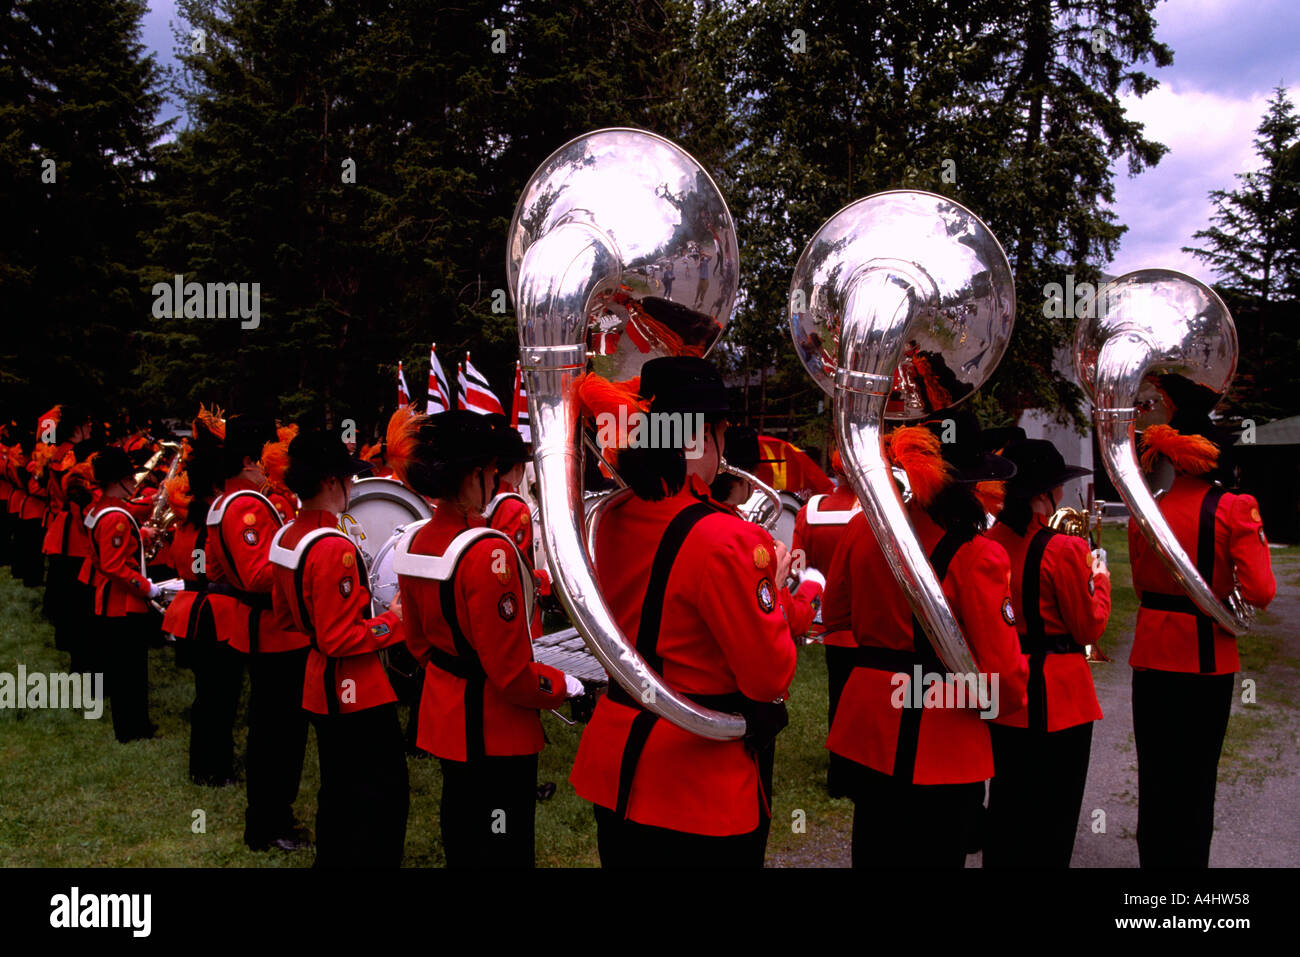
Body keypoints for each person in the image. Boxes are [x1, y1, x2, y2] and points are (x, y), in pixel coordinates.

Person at [569, 357, 798, 868]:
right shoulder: (729, 538)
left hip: (618, 765)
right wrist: (776, 591)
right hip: (697, 785)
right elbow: (768, 678)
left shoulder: (613, 517)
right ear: (708, 434)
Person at [823, 411, 1028, 868]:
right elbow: (1005, 683)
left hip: (871, 729)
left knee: (875, 853)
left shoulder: (863, 527)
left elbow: (835, 614)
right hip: (943, 740)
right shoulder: (980, 555)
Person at [390, 408, 582, 867]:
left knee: (462, 828)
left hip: (448, 716)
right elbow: (510, 673)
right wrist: (561, 686)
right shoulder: (489, 550)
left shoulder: (414, 539)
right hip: (497, 724)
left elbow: (416, 642)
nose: (496, 480)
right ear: (475, 474)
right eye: (493, 471)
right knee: (504, 846)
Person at [1128, 378, 1276, 868]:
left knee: (1156, 777)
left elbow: (1138, 577)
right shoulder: (1235, 506)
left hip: (1151, 654)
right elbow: (1261, 593)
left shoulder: (1142, 512)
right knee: (1195, 783)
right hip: (1205, 658)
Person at [269, 430, 410, 867]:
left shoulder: (289, 535)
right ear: (332, 481)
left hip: (318, 682)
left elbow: (285, 617)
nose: (352, 487)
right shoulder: (334, 547)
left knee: (339, 787)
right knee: (383, 793)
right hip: (355, 686)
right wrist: (394, 621)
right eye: (348, 478)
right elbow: (340, 638)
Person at [983, 439, 1109, 867]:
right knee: (1054, 817)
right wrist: (1102, 580)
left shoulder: (985, 542)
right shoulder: (1065, 548)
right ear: (1045, 493)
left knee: (1006, 805)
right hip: (1060, 696)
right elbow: (1087, 626)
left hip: (1003, 691)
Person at [204, 413, 310, 850]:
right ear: (247, 461)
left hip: (265, 629)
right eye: (261, 458)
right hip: (274, 632)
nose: (269, 464)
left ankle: (271, 820)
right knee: (278, 739)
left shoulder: (226, 502)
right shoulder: (247, 505)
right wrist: (306, 561)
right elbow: (256, 575)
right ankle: (270, 825)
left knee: (274, 734)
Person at [792, 447, 860, 797]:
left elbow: (799, 563)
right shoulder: (871, 513)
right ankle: (855, 768)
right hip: (864, 617)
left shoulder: (810, 510)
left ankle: (839, 768)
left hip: (826, 617)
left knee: (838, 694)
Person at [83, 447, 160, 742]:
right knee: (130, 672)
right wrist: (148, 587)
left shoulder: (100, 508)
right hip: (122, 602)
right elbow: (114, 565)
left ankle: (134, 725)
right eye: (129, 477)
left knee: (126, 669)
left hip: (108, 598)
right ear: (121, 479)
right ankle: (132, 730)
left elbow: (106, 549)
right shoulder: (114, 514)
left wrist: (139, 536)